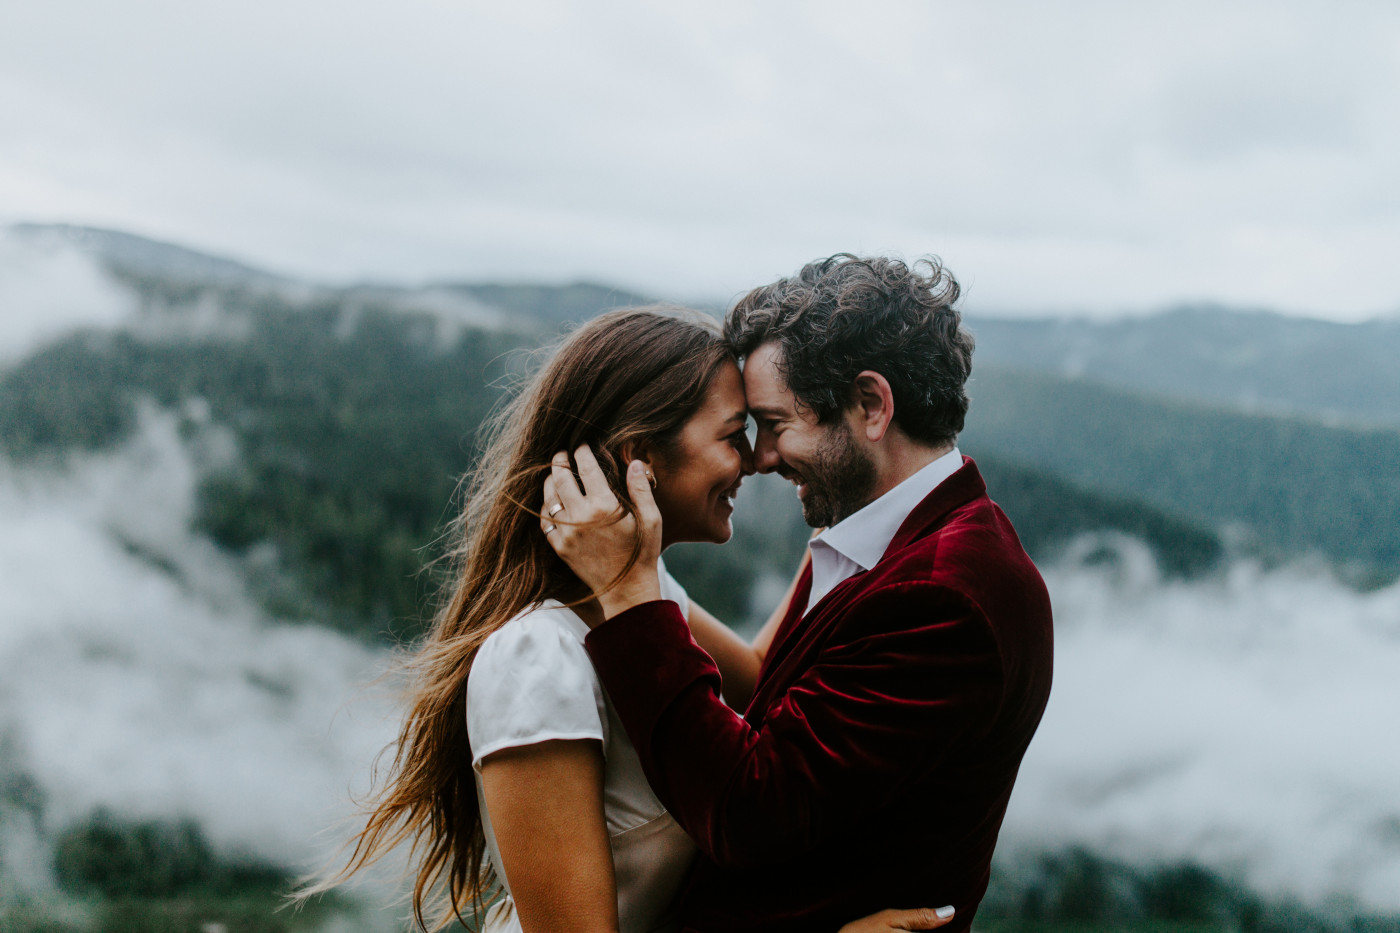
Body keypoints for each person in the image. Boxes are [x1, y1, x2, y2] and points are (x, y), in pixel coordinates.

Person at [305, 307, 955, 933]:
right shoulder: (537, 657)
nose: (753, 462)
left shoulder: (638, 594)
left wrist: (866, 500)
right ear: (639, 456)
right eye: (733, 437)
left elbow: (759, 678)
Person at [542, 256, 1054, 933]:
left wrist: (628, 594)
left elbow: (746, 810)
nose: (760, 459)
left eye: (776, 423)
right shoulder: (879, 536)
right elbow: (768, 685)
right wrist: (632, 564)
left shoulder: (944, 596)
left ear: (871, 405)